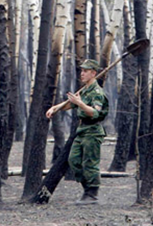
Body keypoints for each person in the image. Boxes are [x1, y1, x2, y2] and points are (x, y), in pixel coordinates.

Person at [45, 59, 109, 205]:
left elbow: (94, 113)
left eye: (86, 71)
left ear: (93, 73)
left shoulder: (97, 93)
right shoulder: (85, 90)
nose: (82, 73)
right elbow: (69, 105)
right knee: (73, 160)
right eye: (82, 71)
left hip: (92, 130)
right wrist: (55, 108)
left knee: (90, 163)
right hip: (82, 130)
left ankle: (92, 194)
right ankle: (87, 189)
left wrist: (80, 103)